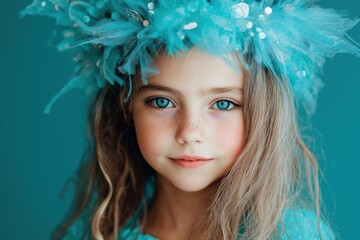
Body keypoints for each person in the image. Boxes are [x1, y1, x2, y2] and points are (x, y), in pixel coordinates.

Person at [21, 0, 360, 239]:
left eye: (224, 104)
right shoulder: (95, 233)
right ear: (126, 108)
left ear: (264, 113)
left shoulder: (290, 235)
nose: (190, 133)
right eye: (162, 101)